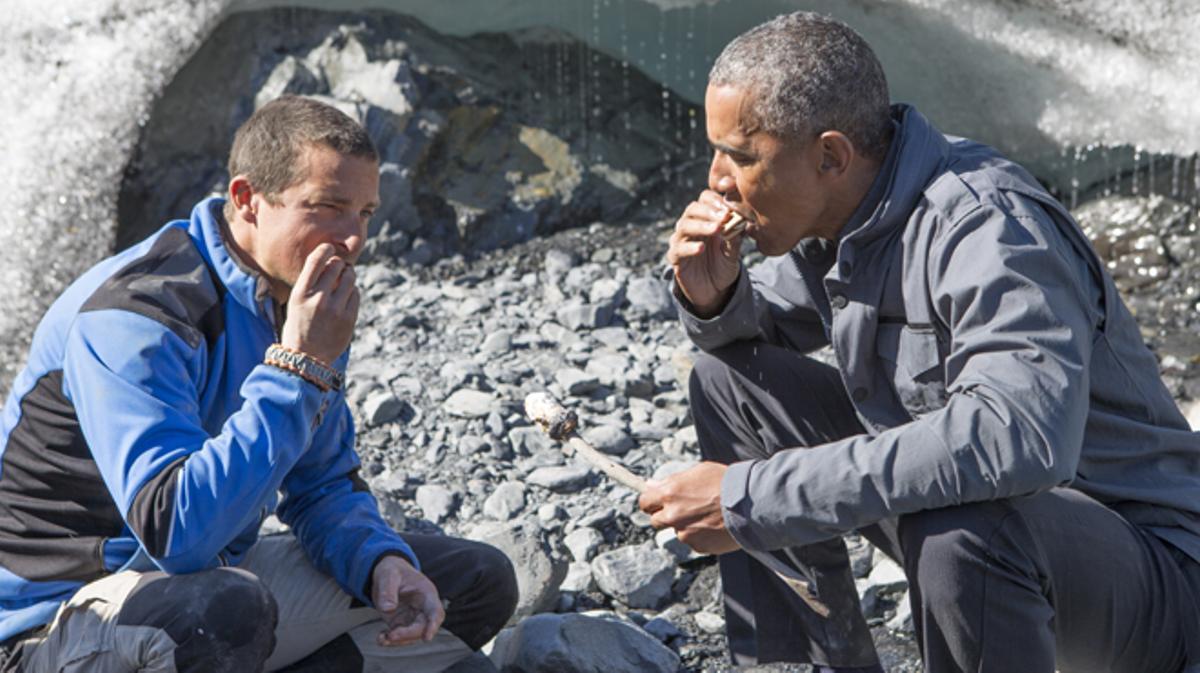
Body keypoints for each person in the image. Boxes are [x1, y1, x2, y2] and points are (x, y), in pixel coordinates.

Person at [639, 11, 1200, 673]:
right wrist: (715, 297)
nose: (716, 179)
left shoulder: (990, 228)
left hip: (1155, 582)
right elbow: (763, 335)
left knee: (961, 528)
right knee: (728, 380)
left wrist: (754, 497)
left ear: (830, 155)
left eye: (740, 154)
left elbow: (1016, 440)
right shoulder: (848, 210)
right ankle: (805, 661)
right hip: (1002, 529)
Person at [0, 95, 517, 673]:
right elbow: (177, 534)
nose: (353, 241)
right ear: (247, 200)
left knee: (472, 584)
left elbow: (321, 483)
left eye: (366, 213)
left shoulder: (298, 295)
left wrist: (378, 561)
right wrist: (297, 366)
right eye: (328, 206)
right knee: (222, 612)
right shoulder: (136, 316)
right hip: (53, 620)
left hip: (200, 586)